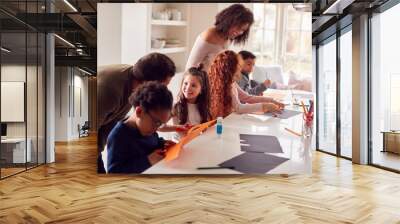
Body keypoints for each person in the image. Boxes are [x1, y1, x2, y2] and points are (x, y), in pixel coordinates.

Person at [97, 53, 177, 173]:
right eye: (163, 86)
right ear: (147, 83)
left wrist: (163, 144)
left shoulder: (135, 87)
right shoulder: (110, 92)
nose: (163, 90)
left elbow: (110, 123)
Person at [106, 82, 175, 173]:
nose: (157, 128)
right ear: (139, 111)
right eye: (157, 123)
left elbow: (153, 142)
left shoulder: (149, 129)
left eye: (161, 124)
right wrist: (148, 161)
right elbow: (114, 172)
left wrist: (163, 143)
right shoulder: (118, 137)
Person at [208, 50, 284, 119]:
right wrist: (264, 106)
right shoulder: (225, 85)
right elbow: (239, 108)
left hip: (231, 119)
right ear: (227, 71)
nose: (238, 74)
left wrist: (271, 101)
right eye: (236, 70)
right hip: (222, 122)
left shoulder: (232, 83)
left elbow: (247, 97)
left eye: (238, 69)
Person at [185, 4, 254, 72]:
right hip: (201, 81)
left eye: (243, 30)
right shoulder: (209, 35)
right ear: (229, 21)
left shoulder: (228, 38)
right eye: (238, 27)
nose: (239, 32)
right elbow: (190, 67)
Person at [172, 64, 211, 139]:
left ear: (201, 90)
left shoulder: (204, 107)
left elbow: (205, 129)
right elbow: (181, 134)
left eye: (193, 85)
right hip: (180, 143)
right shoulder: (176, 107)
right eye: (185, 83)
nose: (188, 88)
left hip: (197, 141)